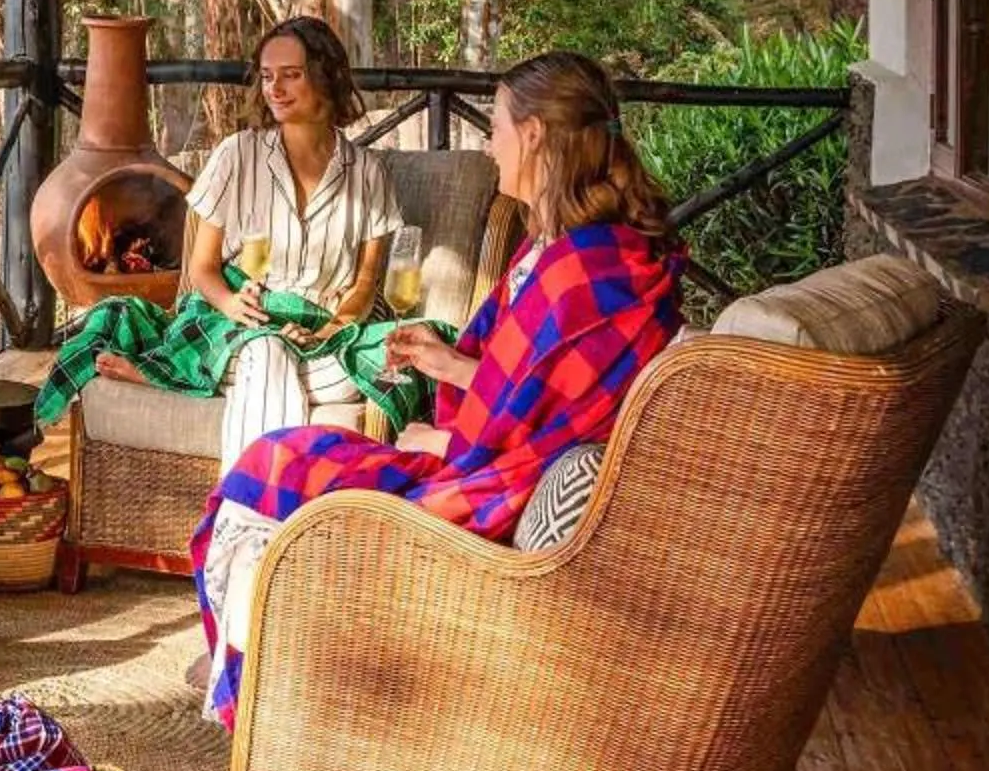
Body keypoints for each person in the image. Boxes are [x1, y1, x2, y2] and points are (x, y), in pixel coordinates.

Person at [190, 51, 686, 730]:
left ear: (535, 135)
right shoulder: (574, 250)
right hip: (496, 458)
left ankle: (255, 689)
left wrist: (443, 435)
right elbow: (530, 389)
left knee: (271, 469)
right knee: (281, 456)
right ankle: (248, 668)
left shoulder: (580, 272)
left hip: (490, 483)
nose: (490, 143)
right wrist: (450, 364)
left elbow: (524, 417)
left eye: (498, 126)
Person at [36, 18, 421, 468]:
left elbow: (365, 284)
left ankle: (179, 378)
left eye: (291, 74)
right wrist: (233, 304)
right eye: (267, 75)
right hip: (238, 316)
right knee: (267, 351)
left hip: (321, 326)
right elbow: (202, 269)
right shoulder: (239, 155)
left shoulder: (368, 173)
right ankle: (249, 519)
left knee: (357, 374)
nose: (275, 88)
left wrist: (331, 329)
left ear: (326, 75)